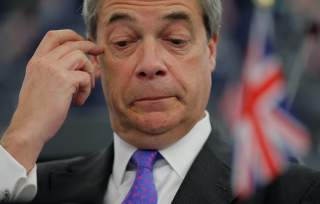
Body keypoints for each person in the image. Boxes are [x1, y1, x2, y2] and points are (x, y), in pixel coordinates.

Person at [0, 0, 320, 203]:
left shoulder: (294, 193)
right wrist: (21, 138)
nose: (150, 63)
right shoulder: (31, 186)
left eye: (176, 40)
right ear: (93, 58)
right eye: (124, 41)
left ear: (211, 51)